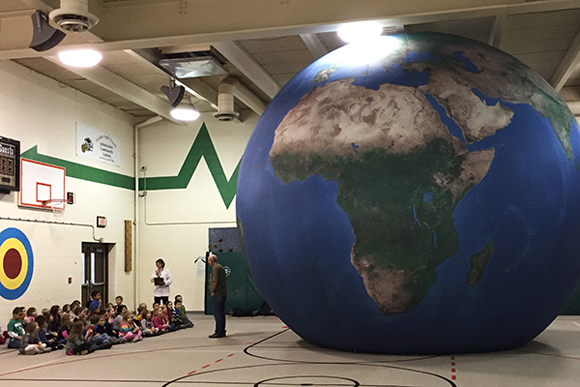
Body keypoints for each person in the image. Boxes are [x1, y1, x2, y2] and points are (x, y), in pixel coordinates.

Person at [208, 254, 227, 338]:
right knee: (221, 313)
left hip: (218, 293)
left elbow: (215, 280)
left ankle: (219, 331)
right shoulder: (221, 267)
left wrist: (213, 290)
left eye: (209, 260)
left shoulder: (215, 268)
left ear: (211, 261)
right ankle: (222, 330)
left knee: (218, 313)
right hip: (222, 293)